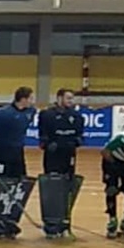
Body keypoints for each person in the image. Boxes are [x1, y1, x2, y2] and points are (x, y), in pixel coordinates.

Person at [0, 86, 37, 239]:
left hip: (17, 154)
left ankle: (10, 218)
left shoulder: (30, 112)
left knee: (19, 184)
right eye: (31, 98)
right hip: (1, 153)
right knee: (0, 184)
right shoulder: (3, 113)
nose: (33, 101)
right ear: (23, 99)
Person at [37, 88, 84, 238]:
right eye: (68, 98)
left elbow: (80, 136)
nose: (71, 101)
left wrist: (76, 142)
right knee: (52, 187)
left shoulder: (77, 116)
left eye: (72, 98)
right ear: (59, 98)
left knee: (67, 188)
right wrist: (47, 144)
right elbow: (42, 136)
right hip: (52, 157)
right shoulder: (47, 115)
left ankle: (65, 222)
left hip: (69, 156)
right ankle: (51, 223)